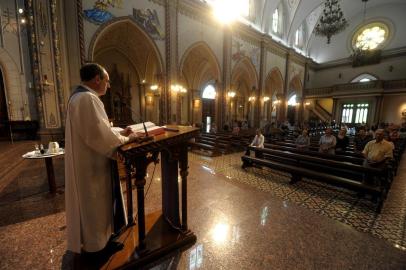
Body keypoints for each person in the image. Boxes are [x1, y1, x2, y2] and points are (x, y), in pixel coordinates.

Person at [65, 63, 139, 257]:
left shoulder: (80, 97)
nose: (108, 85)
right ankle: (98, 248)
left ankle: (102, 241)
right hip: (92, 167)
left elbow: (99, 129)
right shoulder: (88, 98)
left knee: (96, 205)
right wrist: (128, 138)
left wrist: (120, 132)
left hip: (90, 162)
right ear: (97, 79)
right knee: (95, 205)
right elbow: (99, 135)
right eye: (106, 80)